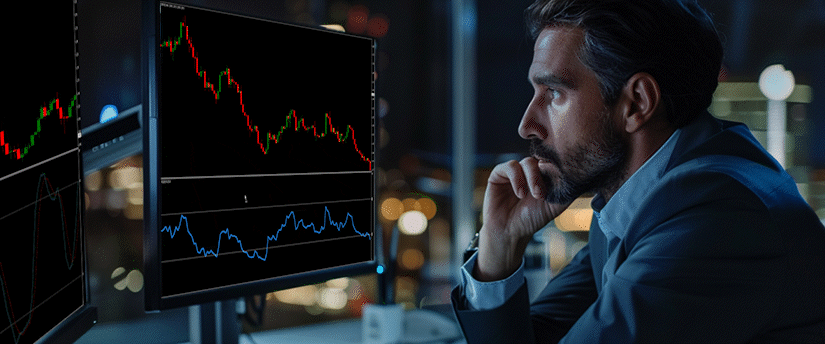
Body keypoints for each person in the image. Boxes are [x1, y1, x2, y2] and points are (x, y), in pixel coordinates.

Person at [450, 0, 825, 342]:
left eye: (555, 93)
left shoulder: (713, 217)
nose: (527, 124)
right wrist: (498, 249)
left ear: (637, 103)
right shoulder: (637, 200)